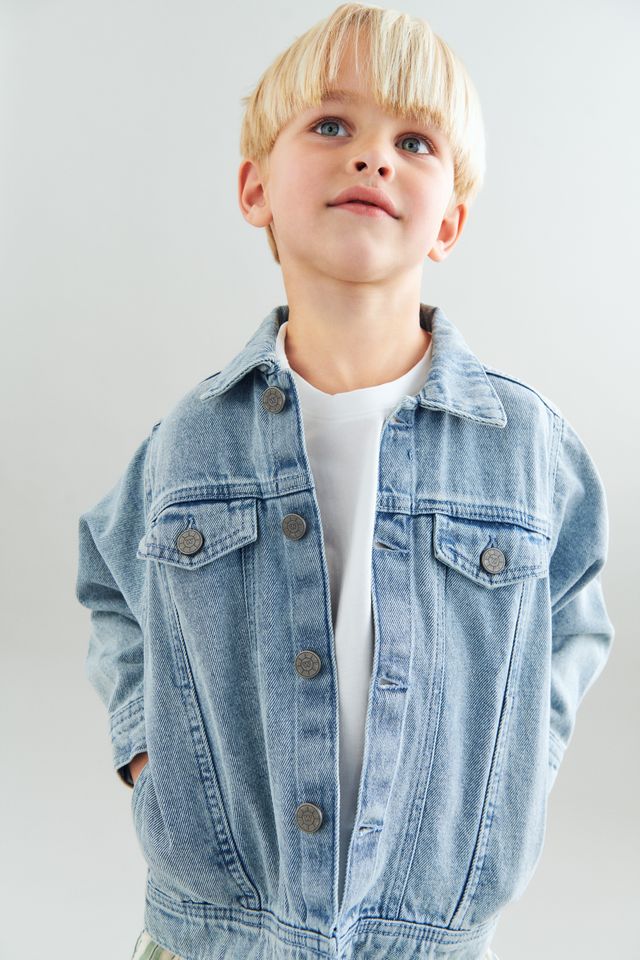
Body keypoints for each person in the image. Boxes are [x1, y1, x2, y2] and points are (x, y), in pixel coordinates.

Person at [75, 4, 615, 959]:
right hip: (213, 936)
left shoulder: (528, 447)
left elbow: (572, 618)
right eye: (331, 125)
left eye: (415, 141)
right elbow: (111, 581)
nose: (373, 156)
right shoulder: (192, 439)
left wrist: (512, 774)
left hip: (429, 938)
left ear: (449, 221)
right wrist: (150, 754)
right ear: (255, 188)